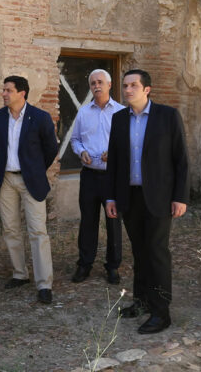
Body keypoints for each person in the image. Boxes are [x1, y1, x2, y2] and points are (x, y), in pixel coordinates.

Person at [105, 69, 189, 334]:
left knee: (157, 252)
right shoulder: (118, 119)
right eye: (125, 85)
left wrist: (180, 197)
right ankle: (141, 302)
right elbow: (114, 162)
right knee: (139, 252)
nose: (127, 90)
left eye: (133, 85)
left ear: (147, 89)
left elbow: (181, 160)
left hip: (160, 198)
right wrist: (111, 196)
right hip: (130, 196)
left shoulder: (167, 116)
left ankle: (161, 312)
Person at [0, 75, 58, 304]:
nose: (4, 94)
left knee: (38, 231)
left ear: (22, 93)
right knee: (10, 228)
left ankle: (44, 284)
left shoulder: (40, 117)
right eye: (4, 90)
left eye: (8, 90)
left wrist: (35, 170)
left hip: (32, 180)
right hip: (7, 179)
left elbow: (51, 148)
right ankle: (20, 274)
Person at [70, 69, 124, 285]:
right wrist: (80, 152)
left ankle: (113, 266)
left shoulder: (121, 112)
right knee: (88, 222)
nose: (96, 86)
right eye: (93, 83)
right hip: (90, 176)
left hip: (113, 176)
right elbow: (74, 140)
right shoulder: (83, 113)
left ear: (109, 85)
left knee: (113, 222)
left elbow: (127, 143)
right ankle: (84, 264)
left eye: (100, 82)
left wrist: (115, 153)